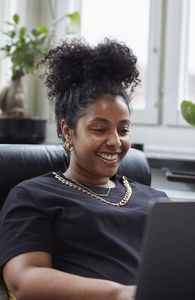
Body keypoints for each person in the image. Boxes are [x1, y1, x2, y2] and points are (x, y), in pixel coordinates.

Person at [0, 38, 169, 300]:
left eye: (123, 130)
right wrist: (122, 294)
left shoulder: (156, 201)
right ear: (68, 131)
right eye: (100, 129)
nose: (115, 141)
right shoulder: (33, 196)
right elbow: (25, 279)